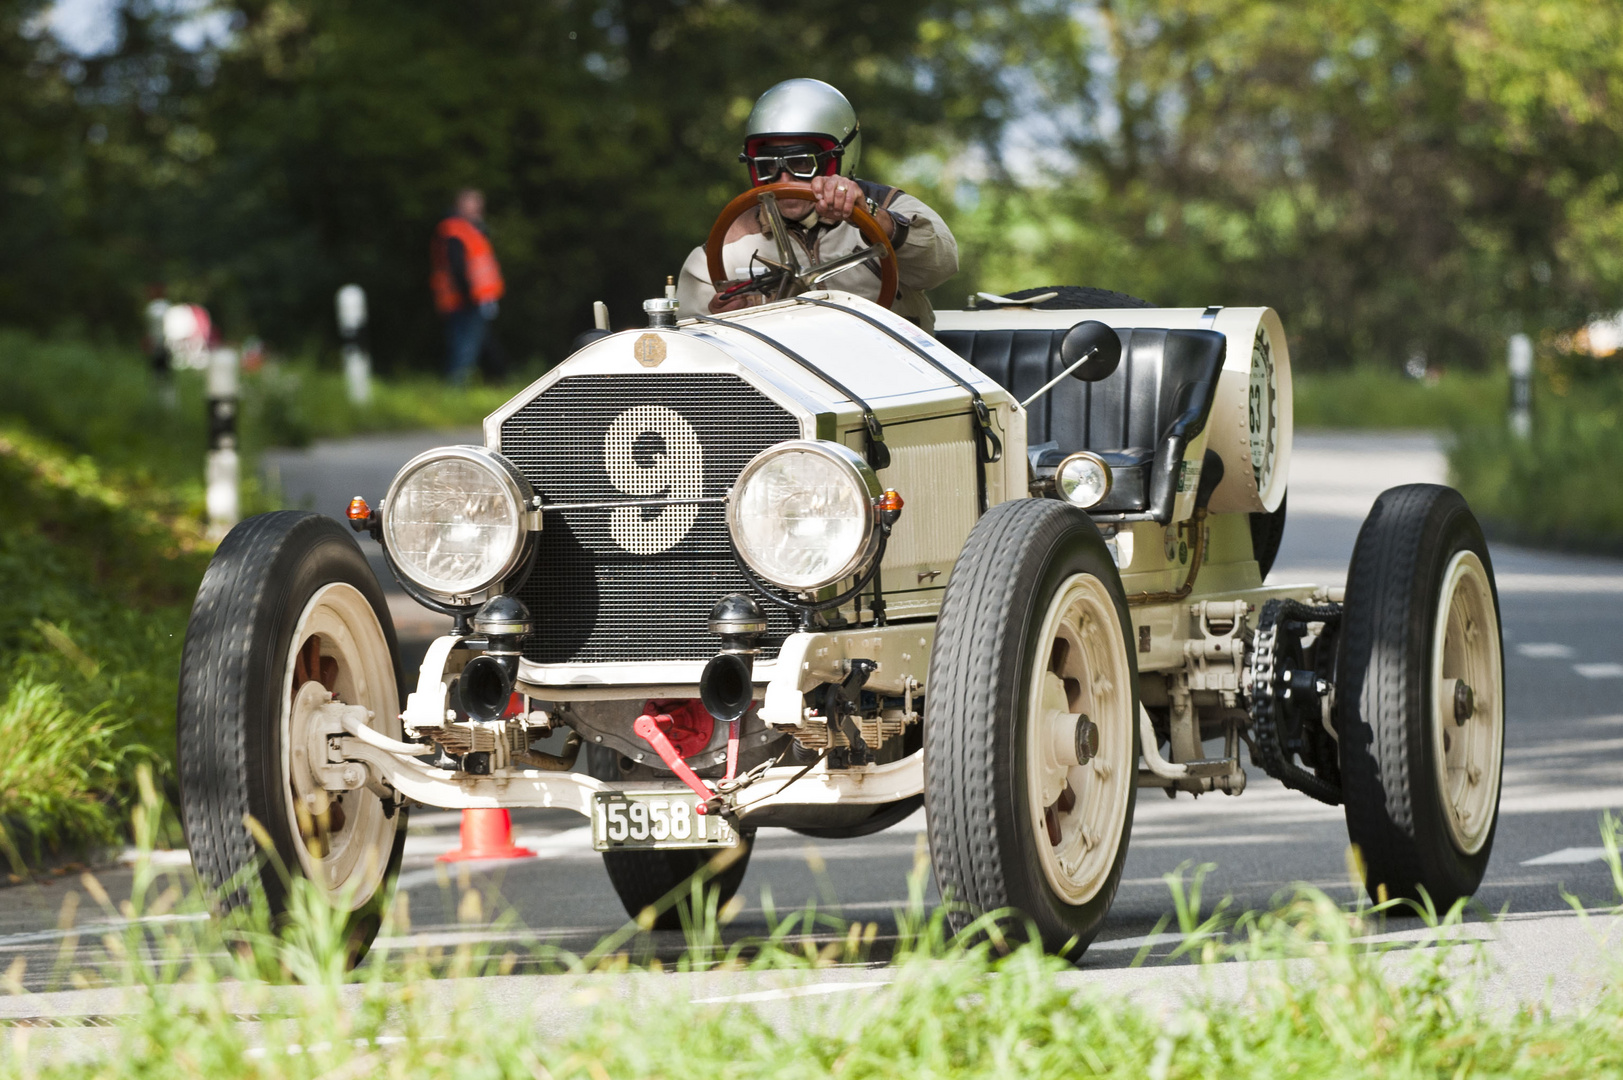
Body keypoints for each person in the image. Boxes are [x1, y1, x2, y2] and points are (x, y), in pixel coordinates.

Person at [676, 79, 958, 332]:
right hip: (784, 384)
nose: (783, 179)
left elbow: (941, 266)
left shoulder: (888, 205)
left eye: (801, 163)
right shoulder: (724, 249)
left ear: (837, 160)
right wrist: (719, 324)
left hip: (891, 372)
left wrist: (875, 219)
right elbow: (695, 344)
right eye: (768, 166)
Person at [430, 188, 505, 384]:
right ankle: (455, 387)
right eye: (471, 204)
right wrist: (468, 296)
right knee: (464, 347)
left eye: (479, 204)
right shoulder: (454, 229)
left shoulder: (473, 229)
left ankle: (497, 382)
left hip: (480, 299)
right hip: (464, 300)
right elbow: (456, 267)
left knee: (483, 344)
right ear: (459, 206)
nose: (477, 209)